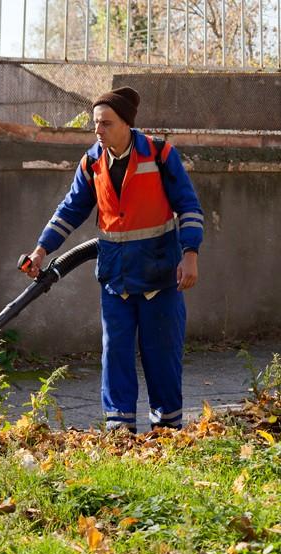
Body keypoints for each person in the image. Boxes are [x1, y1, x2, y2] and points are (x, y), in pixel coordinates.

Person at [21, 86, 204, 432]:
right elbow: (70, 210)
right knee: (115, 354)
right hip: (116, 279)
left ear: (126, 124)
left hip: (160, 275)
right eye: (95, 124)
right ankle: (119, 430)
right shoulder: (92, 162)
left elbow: (190, 208)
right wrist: (42, 249)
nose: (98, 131)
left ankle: (166, 431)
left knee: (161, 355)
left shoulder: (161, 155)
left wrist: (190, 255)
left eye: (105, 123)